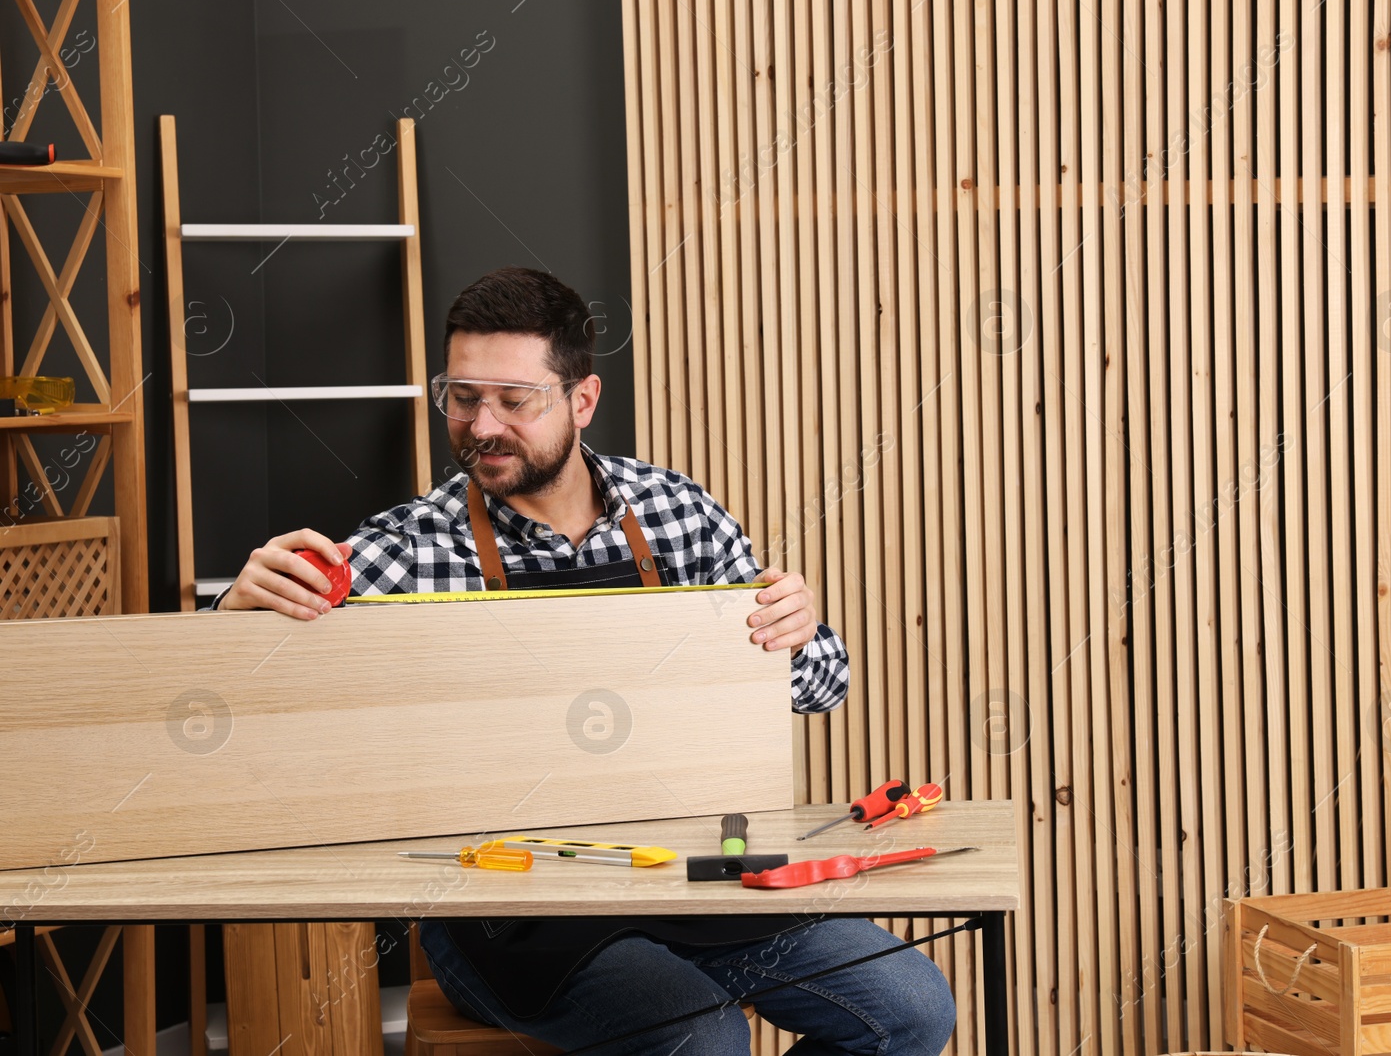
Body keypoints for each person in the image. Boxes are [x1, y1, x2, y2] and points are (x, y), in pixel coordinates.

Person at [217, 266, 957, 1055]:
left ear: (582, 400)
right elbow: (223, 699)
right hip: (508, 914)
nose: (483, 425)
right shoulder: (412, 547)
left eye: (515, 400)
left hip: (693, 874)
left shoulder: (679, 515)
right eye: (463, 397)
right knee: (702, 1039)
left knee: (910, 1005)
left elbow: (822, 685)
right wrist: (236, 611)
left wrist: (799, 631)